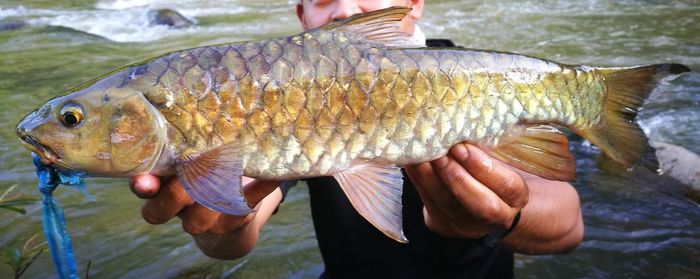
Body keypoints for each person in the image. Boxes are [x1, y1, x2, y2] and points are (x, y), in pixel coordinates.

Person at [130, 0, 584, 277]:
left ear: (412, 2)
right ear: (302, 16)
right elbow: (239, 232)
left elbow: (569, 226)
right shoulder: (281, 89)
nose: (345, 9)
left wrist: (504, 217)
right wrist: (220, 224)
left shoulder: (473, 75)